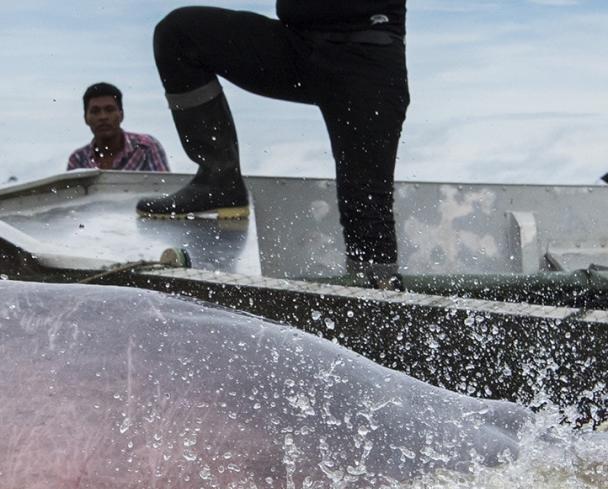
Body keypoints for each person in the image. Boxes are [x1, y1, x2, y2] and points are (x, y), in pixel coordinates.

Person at [138, 2, 408, 286]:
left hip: (368, 58)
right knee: (179, 34)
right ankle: (218, 180)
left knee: (367, 213)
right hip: (296, 46)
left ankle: (377, 293)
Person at [66, 82, 171, 172]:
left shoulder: (145, 147)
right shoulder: (78, 160)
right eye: (95, 111)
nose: (103, 117)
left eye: (109, 109)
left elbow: (166, 190)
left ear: (121, 114)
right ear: (85, 118)